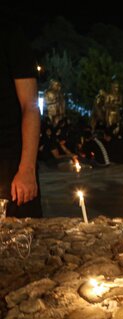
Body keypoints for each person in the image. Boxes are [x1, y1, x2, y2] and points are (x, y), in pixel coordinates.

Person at [0, 20, 41, 218]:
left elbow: (30, 107)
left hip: (10, 165)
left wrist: (27, 169)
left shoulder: (9, 34)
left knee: (19, 240)